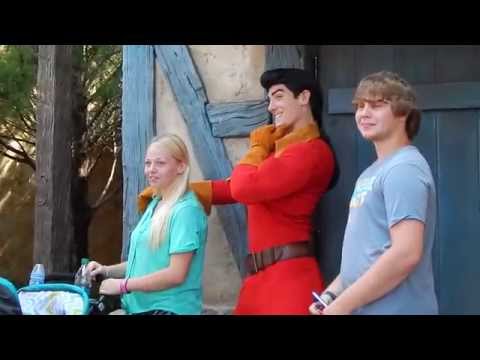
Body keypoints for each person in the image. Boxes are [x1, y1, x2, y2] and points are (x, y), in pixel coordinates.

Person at [140, 68, 337, 314]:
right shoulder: (284, 151)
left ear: (304, 97)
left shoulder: (312, 152)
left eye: (278, 96)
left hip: (289, 282)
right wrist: (174, 191)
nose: (271, 107)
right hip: (259, 281)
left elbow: (244, 187)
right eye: (269, 99)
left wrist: (257, 146)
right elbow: (234, 187)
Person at [310, 71, 438, 315]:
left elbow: (406, 253)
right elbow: (364, 256)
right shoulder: (372, 172)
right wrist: (330, 296)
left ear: (403, 113)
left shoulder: (404, 169)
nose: (363, 113)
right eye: (360, 105)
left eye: (376, 105)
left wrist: (341, 307)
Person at [87, 134, 208, 315]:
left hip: (169, 309)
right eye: (148, 163)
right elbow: (143, 264)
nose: (151, 169)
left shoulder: (185, 211)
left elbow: (176, 274)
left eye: (160, 163)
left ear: (181, 166)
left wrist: (123, 285)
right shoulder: (155, 204)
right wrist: (105, 271)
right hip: (139, 309)